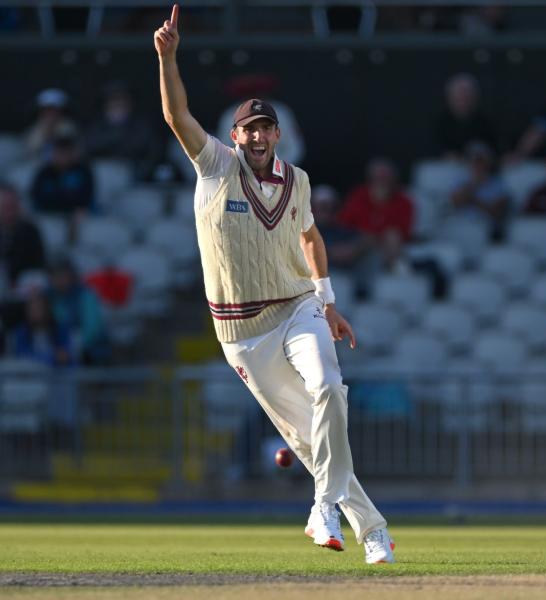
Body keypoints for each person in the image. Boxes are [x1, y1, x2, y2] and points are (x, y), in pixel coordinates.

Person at [154, 5, 394, 564]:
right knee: (311, 442)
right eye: (249, 128)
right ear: (235, 135)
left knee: (331, 390)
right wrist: (168, 59)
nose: (258, 136)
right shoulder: (215, 165)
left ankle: (323, 510)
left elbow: (310, 238)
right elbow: (176, 115)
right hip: (240, 332)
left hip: (296, 308)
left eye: (266, 128)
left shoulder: (300, 180)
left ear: (277, 134)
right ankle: (373, 527)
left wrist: (327, 301)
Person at [336, 158, 415, 273]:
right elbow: (344, 225)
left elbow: (403, 232)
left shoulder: (404, 202)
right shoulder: (357, 196)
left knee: (392, 236)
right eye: (378, 177)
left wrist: (373, 236)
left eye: (385, 178)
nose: (381, 181)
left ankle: (393, 271)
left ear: (393, 179)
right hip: (358, 242)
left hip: (386, 245)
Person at [85, 81, 163, 182]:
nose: (118, 104)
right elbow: (89, 147)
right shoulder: (97, 125)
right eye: (113, 100)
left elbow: (153, 152)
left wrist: (141, 171)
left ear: (130, 102)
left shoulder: (141, 125)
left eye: (121, 100)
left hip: (132, 172)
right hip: (102, 173)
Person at [47, 256, 110, 365]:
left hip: (86, 351)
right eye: (56, 275)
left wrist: (71, 348)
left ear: (71, 276)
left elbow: (92, 329)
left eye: (63, 275)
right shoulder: (47, 297)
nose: (59, 279)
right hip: (54, 351)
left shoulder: (86, 295)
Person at [450, 141, 511, 240]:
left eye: (481, 160)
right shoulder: (460, 180)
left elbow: (497, 213)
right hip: (462, 226)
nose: (477, 164)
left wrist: (473, 200)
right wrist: (474, 185)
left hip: (487, 231)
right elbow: (455, 203)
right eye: (474, 160)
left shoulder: (499, 184)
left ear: (488, 162)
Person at [29, 129, 96, 218]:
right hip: (48, 215)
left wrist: (58, 200)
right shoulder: (44, 172)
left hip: (76, 216)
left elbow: (85, 198)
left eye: (66, 153)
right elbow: (35, 196)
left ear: (72, 153)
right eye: (59, 153)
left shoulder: (83, 171)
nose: (63, 157)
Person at [435, 73, 498, 158]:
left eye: (466, 96)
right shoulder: (439, 123)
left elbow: (494, 149)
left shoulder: (485, 123)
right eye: (459, 97)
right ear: (450, 98)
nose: (463, 101)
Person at [0, 183, 46, 289]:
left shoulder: (30, 231)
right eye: (5, 207)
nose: (9, 211)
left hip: (24, 280)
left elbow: (38, 263)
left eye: (12, 206)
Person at [23, 88, 77, 161]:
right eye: (47, 109)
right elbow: (30, 151)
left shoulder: (70, 127)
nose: (50, 113)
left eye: (54, 109)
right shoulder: (34, 129)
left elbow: (73, 151)